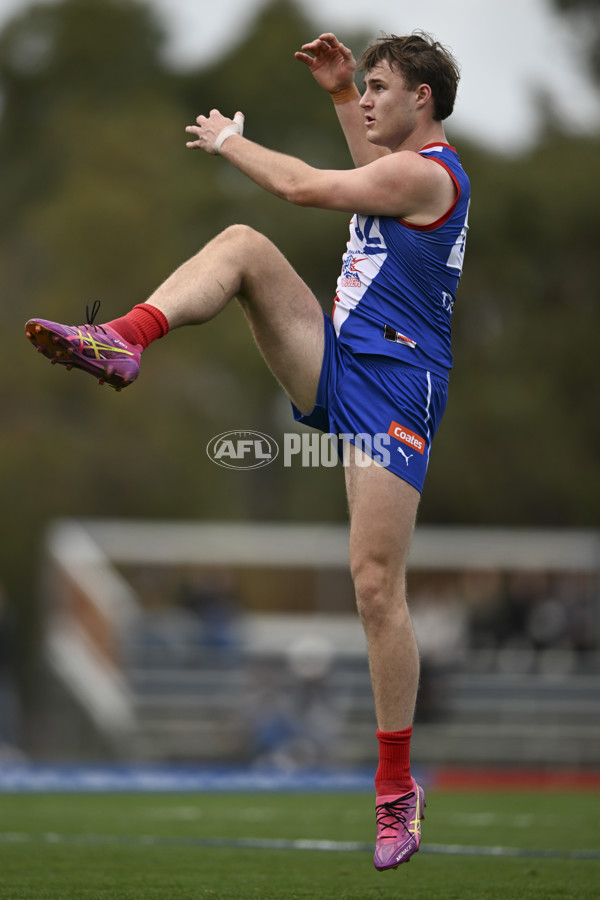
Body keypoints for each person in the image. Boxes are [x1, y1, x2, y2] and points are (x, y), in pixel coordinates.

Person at [25, 31, 469, 871]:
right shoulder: (399, 165)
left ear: (424, 101)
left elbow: (306, 187)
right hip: (341, 357)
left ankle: (396, 790)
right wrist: (340, 96)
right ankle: (121, 337)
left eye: (379, 88)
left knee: (375, 586)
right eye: (365, 87)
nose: (370, 99)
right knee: (239, 246)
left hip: (398, 389)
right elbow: (358, 171)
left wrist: (230, 140)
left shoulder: (430, 173)